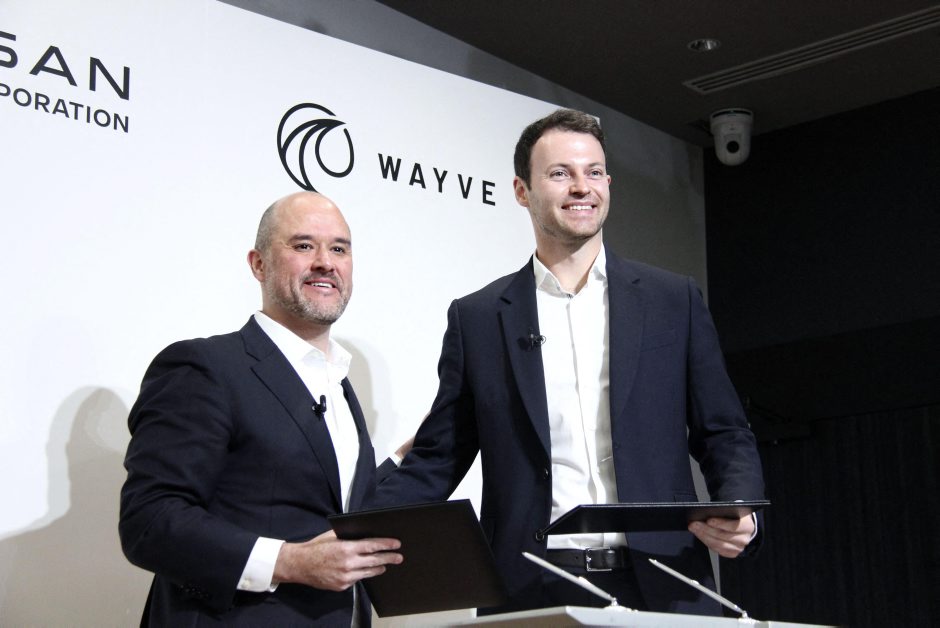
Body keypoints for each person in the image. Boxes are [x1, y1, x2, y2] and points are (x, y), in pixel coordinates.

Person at [371, 109, 765, 615]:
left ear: (608, 185)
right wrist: (357, 520)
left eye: (594, 172)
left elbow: (724, 430)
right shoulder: (479, 319)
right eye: (560, 173)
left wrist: (742, 509)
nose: (582, 187)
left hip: (665, 582)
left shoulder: (673, 301)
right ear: (522, 191)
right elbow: (439, 458)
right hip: (532, 589)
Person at [119, 191, 403, 626]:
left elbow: (320, 502)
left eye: (339, 249)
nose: (325, 263)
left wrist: (405, 458)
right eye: (303, 245)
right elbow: (149, 521)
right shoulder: (205, 367)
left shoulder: (339, 385)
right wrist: (288, 562)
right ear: (258, 264)